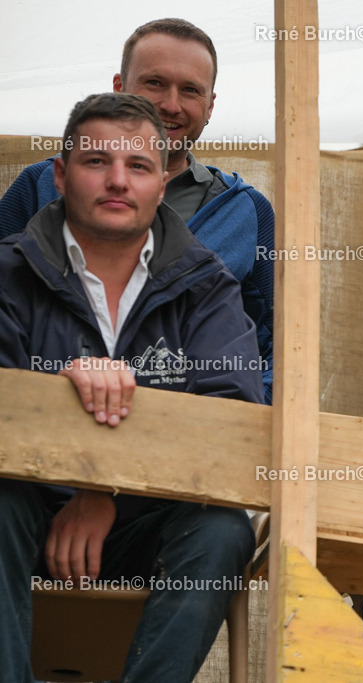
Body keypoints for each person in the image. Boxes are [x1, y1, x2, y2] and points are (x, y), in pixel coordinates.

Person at [0, 93, 263, 682]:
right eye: (97, 162)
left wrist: (106, 490)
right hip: (23, 512)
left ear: (161, 184)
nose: (118, 180)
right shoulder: (7, 274)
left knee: (222, 530)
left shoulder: (207, 286)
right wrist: (60, 390)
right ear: (60, 175)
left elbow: (233, 421)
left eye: (139, 166)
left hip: (139, 522)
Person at [0, 18, 275, 403]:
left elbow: (281, 345)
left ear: (210, 105)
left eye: (191, 90)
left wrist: (250, 413)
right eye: (155, 83)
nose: (171, 104)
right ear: (119, 87)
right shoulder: (37, 185)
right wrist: (56, 395)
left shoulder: (248, 214)